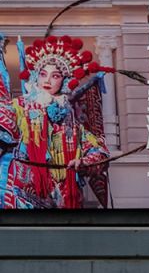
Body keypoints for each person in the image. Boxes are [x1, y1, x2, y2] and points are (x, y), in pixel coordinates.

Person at [1, 35, 109, 209]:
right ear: (36, 76)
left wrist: (84, 163)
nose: (48, 81)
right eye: (43, 74)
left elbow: (100, 153)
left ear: (64, 80)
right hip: (25, 193)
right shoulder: (20, 107)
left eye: (55, 76)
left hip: (64, 195)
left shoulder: (73, 118)